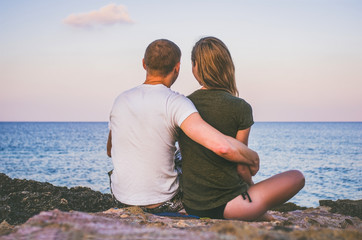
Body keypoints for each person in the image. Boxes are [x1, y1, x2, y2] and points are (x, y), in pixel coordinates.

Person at [107, 39, 260, 214]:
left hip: (120, 198)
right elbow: (221, 146)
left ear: (143, 64)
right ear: (177, 67)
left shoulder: (120, 100)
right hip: (163, 202)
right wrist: (253, 158)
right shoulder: (177, 102)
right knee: (181, 157)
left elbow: (111, 150)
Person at [178, 36, 305, 221]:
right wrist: (253, 189)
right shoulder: (240, 107)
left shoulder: (183, 105)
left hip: (192, 205)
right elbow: (242, 166)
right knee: (297, 177)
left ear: (194, 67)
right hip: (231, 207)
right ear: (227, 66)